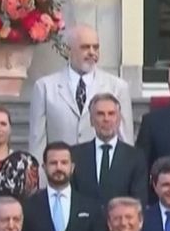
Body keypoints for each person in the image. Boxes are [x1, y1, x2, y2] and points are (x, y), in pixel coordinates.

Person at [29, 24, 136, 160]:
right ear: (68, 50)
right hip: (60, 172)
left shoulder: (117, 87)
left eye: (96, 47)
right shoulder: (45, 87)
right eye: (85, 47)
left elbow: (125, 140)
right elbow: (37, 143)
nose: (92, 52)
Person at [71, 93, 148, 204]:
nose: (106, 119)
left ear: (119, 119)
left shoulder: (135, 157)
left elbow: (138, 200)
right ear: (91, 120)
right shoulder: (75, 155)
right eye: (100, 114)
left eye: (111, 114)